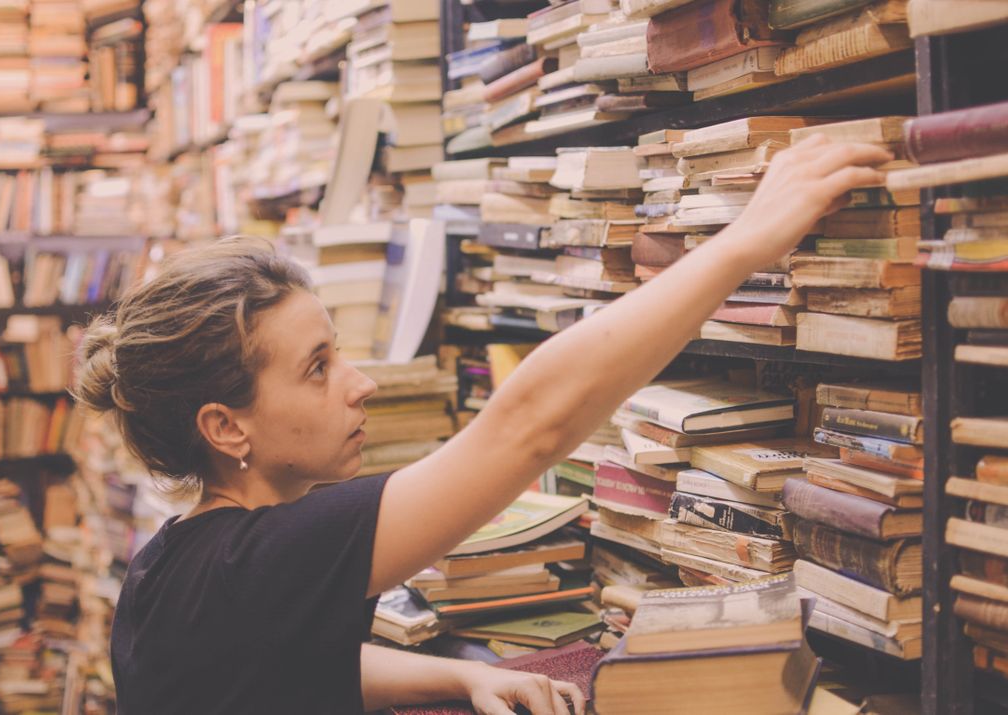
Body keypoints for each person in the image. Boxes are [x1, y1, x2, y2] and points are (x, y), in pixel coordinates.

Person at [73, 135, 892, 715]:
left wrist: (457, 680)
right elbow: (528, 425)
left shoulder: (175, 566)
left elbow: (283, 664)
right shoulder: (262, 557)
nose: (358, 386)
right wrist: (745, 240)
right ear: (226, 427)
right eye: (318, 367)